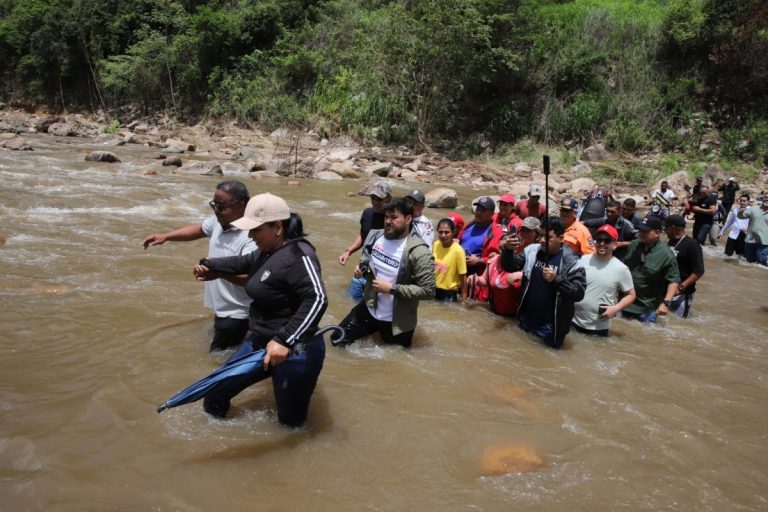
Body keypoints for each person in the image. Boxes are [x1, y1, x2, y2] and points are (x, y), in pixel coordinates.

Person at [193, 193, 328, 427]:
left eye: (255, 230)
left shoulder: (299, 255)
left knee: (290, 425)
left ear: (277, 227)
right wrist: (208, 263)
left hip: (295, 351)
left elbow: (318, 299)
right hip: (259, 342)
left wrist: (285, 341)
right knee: (214, 395)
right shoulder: (268, 251)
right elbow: (242, 262)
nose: (250, 236)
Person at [142, 180, 256, 352]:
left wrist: (218, 274)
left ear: (242, 205)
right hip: (223, 309)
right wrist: (166, 236)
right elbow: (199, 229)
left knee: (216, 361)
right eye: (214, 205)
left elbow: (251, 279)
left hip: (239, 313)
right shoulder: (219, 221)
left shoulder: (252, 237)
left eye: (222, 206)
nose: (216, 210)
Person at [335, 197, 436, 348]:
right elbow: (366, 259)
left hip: (397, 321)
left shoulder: (420, 252)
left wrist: (392, 289)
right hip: (368, 308)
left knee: (394, 363)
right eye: (386, 217)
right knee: (337, 340)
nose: (388, 221)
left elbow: (428, 291)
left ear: (408, 219)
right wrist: (362, 270)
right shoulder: (375, 236)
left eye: (394, 217)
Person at [500, 218, 586, 349]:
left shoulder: (573, 262)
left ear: (561, 238)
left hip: (551, 327)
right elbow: (510, 266)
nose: (542, 240)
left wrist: (556, 280)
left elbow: (578, 293)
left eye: (548, 237)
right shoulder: (532, 250)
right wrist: (507, 250)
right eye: (540, 235)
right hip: (526, 319)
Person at [572, 225, 636, 336]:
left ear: (615, 244)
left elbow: (631, 295)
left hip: (598, 327)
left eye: (607, 241)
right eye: (599, 240)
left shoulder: (621, 269)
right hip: (572, 320)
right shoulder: (583, 260)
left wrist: (616, 308)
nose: (602, 243)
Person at [470, 216, 541, 316]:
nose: (524, 233)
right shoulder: (499, 256)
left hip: (518, 310)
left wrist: (520, 275)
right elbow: (486, 279)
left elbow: (536, 274)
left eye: (528, 231)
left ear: (537, 234)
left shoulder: (538, 253)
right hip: (496, 309)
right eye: (523, 230)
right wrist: (475, 278)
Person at [338, 180, 392, 300]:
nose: (375, 202)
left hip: (381, 279)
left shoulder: (394, 219)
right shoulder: (367, 213)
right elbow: (363, 235)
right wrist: (348, 251)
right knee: (349, 302)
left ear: (388, 198)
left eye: (379, 199)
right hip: (361, 272)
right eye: (373, 198)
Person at [621, 216, 680, 323]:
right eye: (640, 230)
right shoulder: (634, 245)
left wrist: (665, 303)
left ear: (657, 233)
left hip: (646, 308)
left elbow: (673, 281)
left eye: (645, 231)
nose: (641, 233)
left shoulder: (666, 254)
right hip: (624, 302)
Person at [664, 214, 704, 318]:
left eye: (666, 227)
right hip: (668, 290)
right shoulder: (671, 241)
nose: (664, 230)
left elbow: (699, 271)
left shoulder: (692, 244)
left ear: (673, 228)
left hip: (683, 293)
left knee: (681, 321)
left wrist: (681, 287)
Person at [459, 196, 504, 276]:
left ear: (491, 214)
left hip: (477, 276)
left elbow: (499, 259)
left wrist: (479, 261)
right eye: (478, 209)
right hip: (459, 270)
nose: (478, 213)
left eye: (483, 211)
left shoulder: (496, 233)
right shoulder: (469, 225)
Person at [432, 218, 467, 302]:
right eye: (440, 232)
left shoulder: (458, 251)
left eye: (447, 232)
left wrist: (464, 299)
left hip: (449, 294)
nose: (443, 235)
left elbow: (463, 277)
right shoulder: (435, 245)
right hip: (433, 290)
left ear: (453, 232)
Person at [737, 198, 768, 266]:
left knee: (761, 263)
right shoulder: (753, 208)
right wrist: (741, 212)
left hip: (764, 242)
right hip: (750, 240)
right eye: (765, 197)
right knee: (749, 262)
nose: (767, 199)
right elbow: (741, 217)